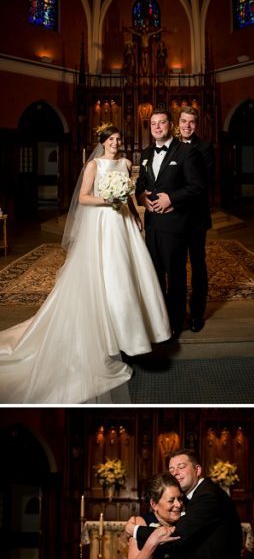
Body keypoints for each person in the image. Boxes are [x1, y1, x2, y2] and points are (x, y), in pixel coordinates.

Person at [0, 125, 171, 403]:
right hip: (103, 223)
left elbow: (128, 195)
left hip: (124, 223)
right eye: (111, 139)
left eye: (118, 139)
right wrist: (108, 199)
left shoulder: (127, 163)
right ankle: (107, 335)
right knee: (107, 274)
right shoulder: (93, 165)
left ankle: (131, 334)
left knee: (129, 273)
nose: (116, 143)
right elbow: (82, 198)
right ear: (102, 142)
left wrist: (136, 218)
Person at [134, 449, 246, 559]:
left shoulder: (208, 495)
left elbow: (177, 537)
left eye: (181, 466)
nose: (175, 473)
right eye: (171, 470)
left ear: (198, 469)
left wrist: (135, 530)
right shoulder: (190, 499)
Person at [136, 109, 204, 337]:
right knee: (154, 273)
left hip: (175, 223)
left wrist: (172, 198)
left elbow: (196, 187)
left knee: (175, 275)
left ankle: (175, 322)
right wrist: (142, 198)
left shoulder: (186, 151)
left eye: (161, 122)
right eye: (153, 123)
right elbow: (140, 183)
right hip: (152, 223)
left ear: (170, 125)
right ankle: (158, 319)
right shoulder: (145, 153)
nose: (157, 127)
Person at [177, 106, 214, 332]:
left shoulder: (206, 148)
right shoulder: (171, 146)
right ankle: (178, 312)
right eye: (183, 121)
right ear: (178, 123)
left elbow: (204, 183)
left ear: (196, 125)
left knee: (198, 265)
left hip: (196, 216)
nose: (187, 126)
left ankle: (197, 314)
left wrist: (175, 196)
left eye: (191, 122)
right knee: (177, 266)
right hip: (175, 218)